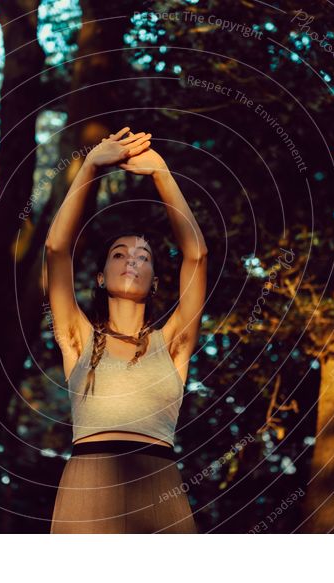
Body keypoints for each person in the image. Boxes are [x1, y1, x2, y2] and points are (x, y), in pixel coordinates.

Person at [45, 126, 208, 533]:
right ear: (100, 277)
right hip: (88, 487)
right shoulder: (79, 338)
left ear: (154, 281)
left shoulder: (172, 344)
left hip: (160, 489)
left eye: (143, 257)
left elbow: (198, 254)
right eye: (120, 254)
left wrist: (162, 174)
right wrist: (90, 166)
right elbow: (56, 250)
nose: (132, 261)